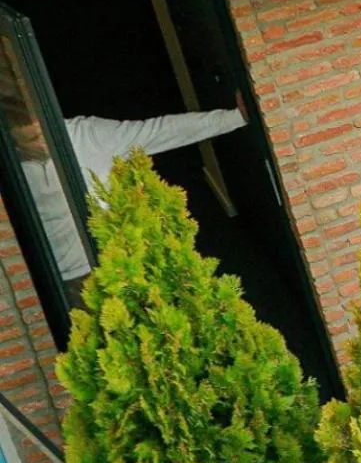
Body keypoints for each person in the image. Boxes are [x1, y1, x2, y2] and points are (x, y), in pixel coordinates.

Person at [1, 84, 247, 305]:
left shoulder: (86, 135)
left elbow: (157, 131)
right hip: (57, 280)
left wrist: (236, 117)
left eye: (44, 132)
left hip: (112, 265)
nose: (42, 144)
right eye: (32, 140)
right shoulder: (11, 164)